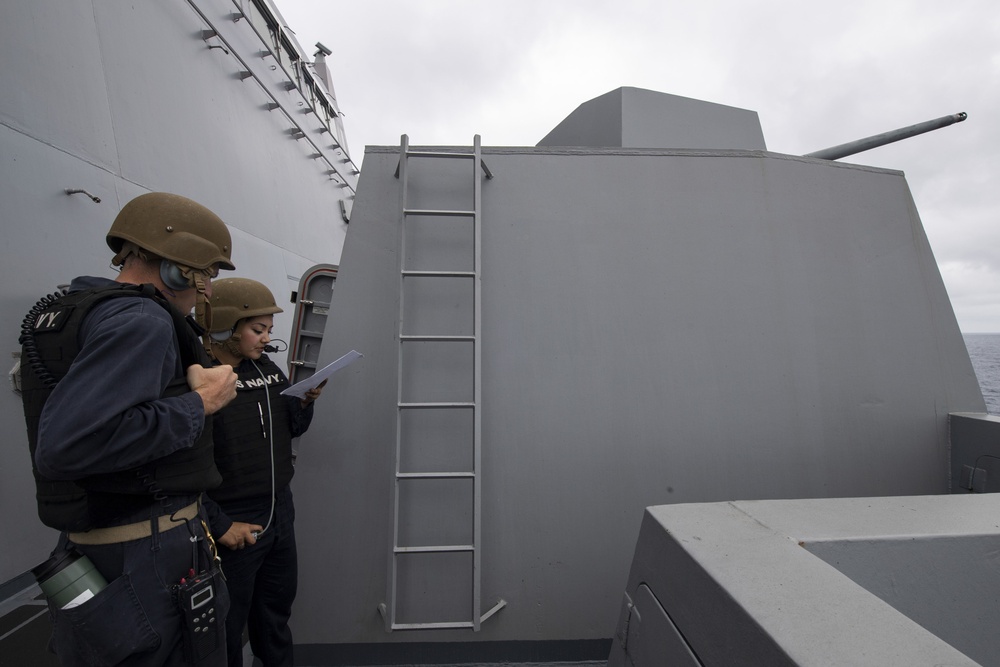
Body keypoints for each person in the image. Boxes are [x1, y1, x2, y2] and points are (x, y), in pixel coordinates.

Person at [19, 191, 239, 667]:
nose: (207, 289)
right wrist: (202, 403)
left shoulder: (81, 310)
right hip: (148, 552)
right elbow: (70, 444)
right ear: (180, 270)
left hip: (101, 545)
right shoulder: (142, 320)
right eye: (208, 274)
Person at [199, 278, 324, 667]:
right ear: (224, 327)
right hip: (233, 520)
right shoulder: (200, 379)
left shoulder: (265, 367)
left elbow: (294, 429)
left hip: (278, 511)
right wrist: (219, 524)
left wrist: (304, 402)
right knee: (227, 624)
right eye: (258, 330)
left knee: (274, 613)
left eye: (269, 330)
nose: (266, 339)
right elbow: (179, 468)